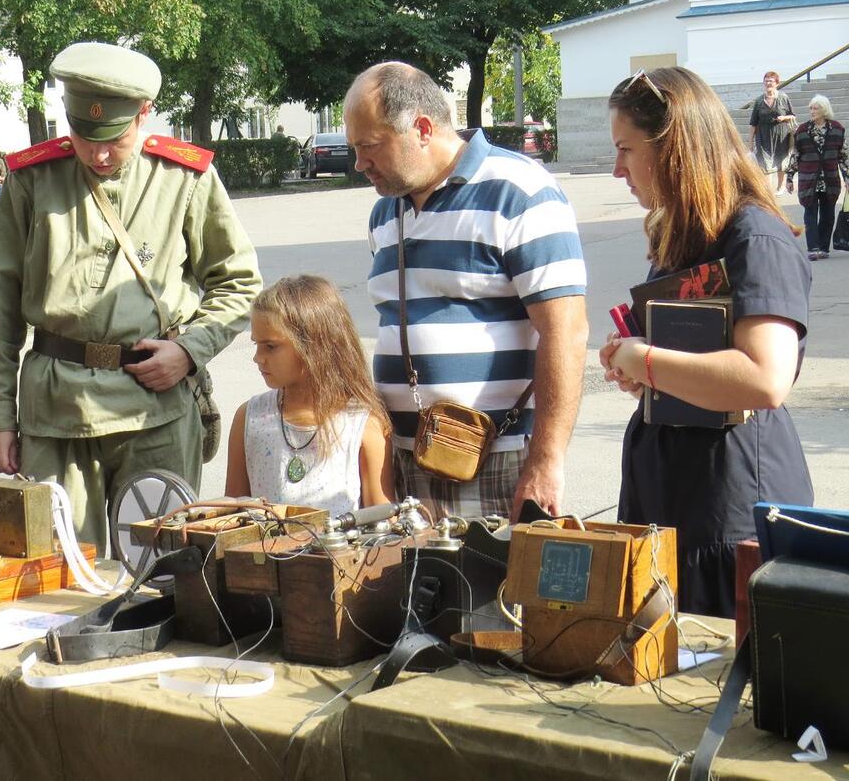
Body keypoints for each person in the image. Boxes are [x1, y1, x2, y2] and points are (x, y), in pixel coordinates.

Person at [0, 41, 261, 547]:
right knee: (58, 572)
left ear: (144, 114)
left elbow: (238, 283)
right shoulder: (32, 179)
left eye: (115, 138)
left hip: (157, 414)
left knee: (160, 570)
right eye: (85, 137)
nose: (99, 154)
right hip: (56, 414)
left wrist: (188, 352)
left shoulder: (184, 176)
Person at [600, 66, 813, 618]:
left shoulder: (754, 235)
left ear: (671, 146)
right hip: (673, 496)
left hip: (728, 508)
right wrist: (639, 366)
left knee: (717, 691)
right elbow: (688, 360)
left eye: (626, 149)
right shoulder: (684, 230)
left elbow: (764, 378)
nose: (617, 167)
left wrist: (644, 360)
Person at [344, 61, 588, 523]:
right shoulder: (384, 213)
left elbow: (566, 332)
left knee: (495, 593)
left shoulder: (519, 192)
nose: (360, 163)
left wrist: (547, 461)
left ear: (421, 128)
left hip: (497, 457)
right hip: (403, 460)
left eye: (369, 146)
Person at [224, 275, 394, 514]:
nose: (257, 357)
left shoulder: (363, 423)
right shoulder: (249, 418)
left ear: (315, 345)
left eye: (270, 346)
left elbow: (383, 519)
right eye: (256, 344)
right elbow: (232, 513)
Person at [785, 94, 847, 260]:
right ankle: (813, 248)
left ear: (824, 110)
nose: (812, 111)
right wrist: (790, 177)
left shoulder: (837, 129)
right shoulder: (802, 130)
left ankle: (824, 248)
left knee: (828, 215)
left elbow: (843, 156)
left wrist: (847, 177)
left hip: (830, 179)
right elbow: (795, 155)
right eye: (811, 108)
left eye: (816, 108)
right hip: (808, 180)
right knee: (810, 213)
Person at [748, 70, 795, 193]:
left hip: (781, 136)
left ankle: (780, 187)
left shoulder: (783, 98)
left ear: (777, 83)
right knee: (765, 164)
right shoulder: (759, 101)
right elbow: (753, 123)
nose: (768, 83)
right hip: (763, 137)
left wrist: (784, 118)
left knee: (781, 162)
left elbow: (792, 116)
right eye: (766, 80)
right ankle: (768, 190)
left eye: (771, 81)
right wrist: (750, 142)